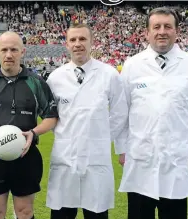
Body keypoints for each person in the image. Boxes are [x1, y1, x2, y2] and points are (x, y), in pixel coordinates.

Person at [117, 7, 188, 219]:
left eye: (168, 26)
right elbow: (122, 113)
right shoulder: (132, 65)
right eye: (156, 26)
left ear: (176, 32)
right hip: (140, 159)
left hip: (176, 161)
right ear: (147, 33)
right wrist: (122, 149)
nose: (162, 31)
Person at [0, 31, 58, 219]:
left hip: (26, 155)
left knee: (25, 212)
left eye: (14, 49)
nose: (9, 54)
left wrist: (34, 132)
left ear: (22, 52)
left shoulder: (35, 82)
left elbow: (51, 116)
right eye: (4, 50)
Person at [45, 23, 129, 219]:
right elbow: (50, 116)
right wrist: (67, 135)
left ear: (92, 42)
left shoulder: (109, 75)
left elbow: (119, 113)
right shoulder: (55, 78)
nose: (78, 44)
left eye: (82, 39)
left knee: (96, 212)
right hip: (65, 156)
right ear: (66, 45)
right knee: (62, 213)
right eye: (73, 40)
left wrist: (100, 137)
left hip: (96, 157)